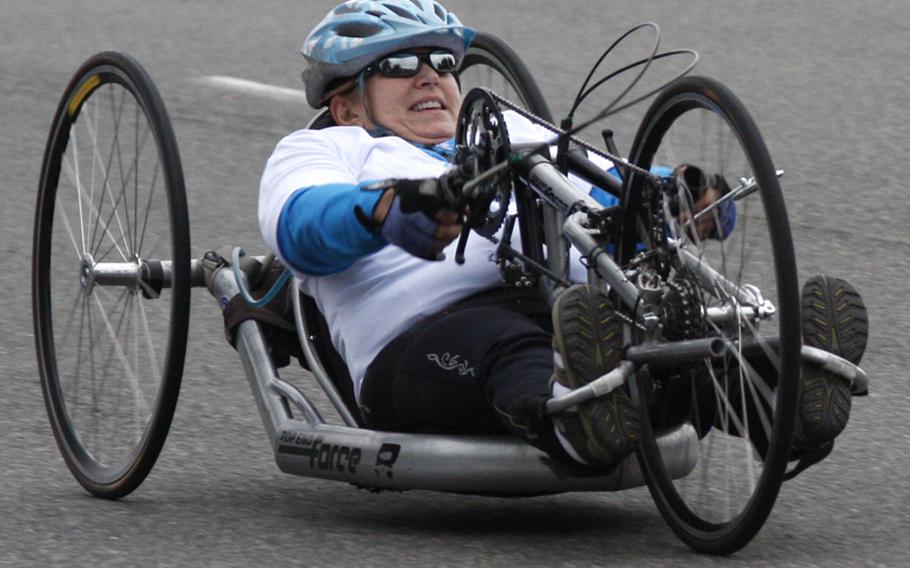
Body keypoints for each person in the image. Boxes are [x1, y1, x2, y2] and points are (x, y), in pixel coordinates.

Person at [259, 0, 868, 468]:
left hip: (571, 316)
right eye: (398, 65)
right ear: (346, 105)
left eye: (442, 62)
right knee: (509, 343)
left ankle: (790, 390)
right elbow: (302, 224)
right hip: (425, 339)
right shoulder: (324, 147)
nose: (429, 77)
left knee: (669, 348)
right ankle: (574, 416)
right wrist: (389, 209)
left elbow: (603, 184)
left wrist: (682, 194)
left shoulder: (503, 131)